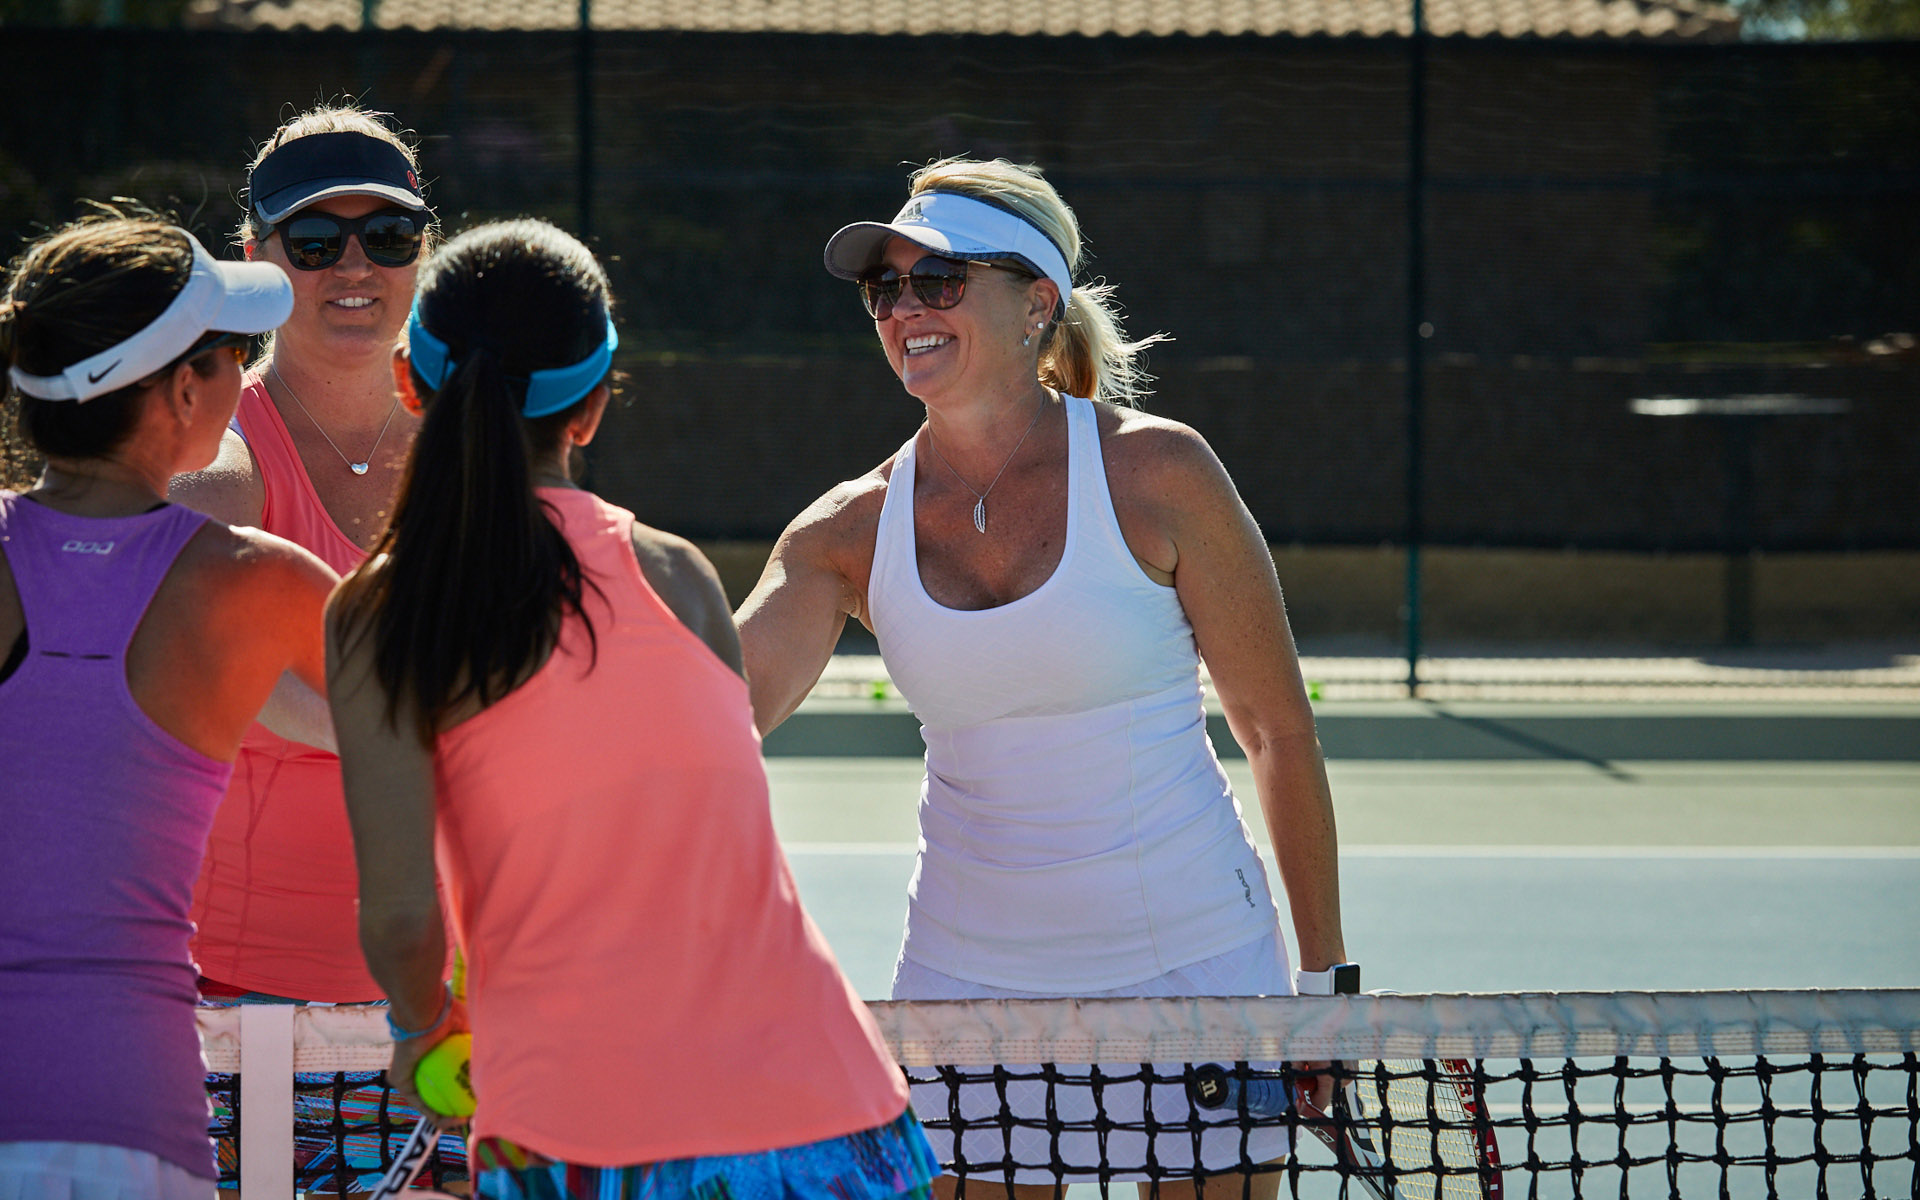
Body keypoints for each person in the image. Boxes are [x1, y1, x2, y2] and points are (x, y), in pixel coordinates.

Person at [734, 157, 1353, 1199]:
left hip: (1198, 968)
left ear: (1036, 304)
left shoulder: (1162, 473)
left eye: (940, 280)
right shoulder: (844, 530)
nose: (905, 309)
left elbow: (1276, 732)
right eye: (885, 287)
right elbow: (711, 714)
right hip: (967, 985)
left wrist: (1327, 985)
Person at [326, 218, 938, 1200]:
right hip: (835, 1116)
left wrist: (417, 1030)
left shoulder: (378, 613)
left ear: (409, 381)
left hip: (573, 1133)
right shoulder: (681, 576)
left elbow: (401, 918)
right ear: (593, 406)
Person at [0, 212, 333, 1198]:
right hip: (132, 1132)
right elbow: (450, 718)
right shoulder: (256, 580)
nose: (244, 374)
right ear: (183, 391)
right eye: (231, 353)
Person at [169, 101, 432, 1006]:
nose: (355, 266)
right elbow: (235, 672)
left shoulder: (479, 449)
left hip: (452, 997)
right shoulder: (216, 460)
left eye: (388, 236)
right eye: (315, 242)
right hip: (240, 1001)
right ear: (258, 258)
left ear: (421, 254)